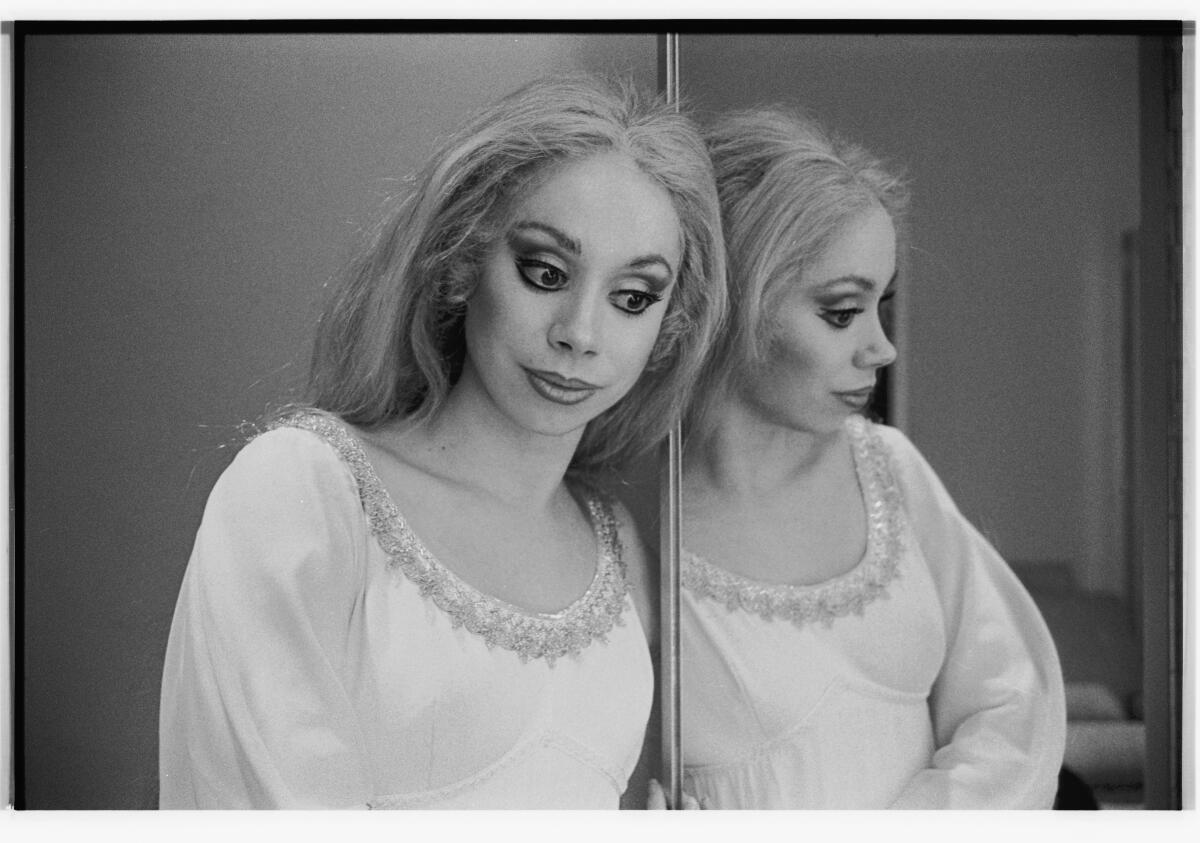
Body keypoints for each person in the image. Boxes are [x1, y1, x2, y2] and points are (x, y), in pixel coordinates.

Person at [159, 74, 727, 809]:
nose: (579, 334)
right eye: (546, 272)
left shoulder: (620, 548)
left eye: (632, 298)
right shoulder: (305, 492)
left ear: (668, 326)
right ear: (462, 259)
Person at [678, 108, 1066, 809]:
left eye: (880, 305)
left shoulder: (890, 469)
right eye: (840, 312)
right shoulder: (625, 516)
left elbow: (1013, 709)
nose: (882, 348)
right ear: (730, 300)